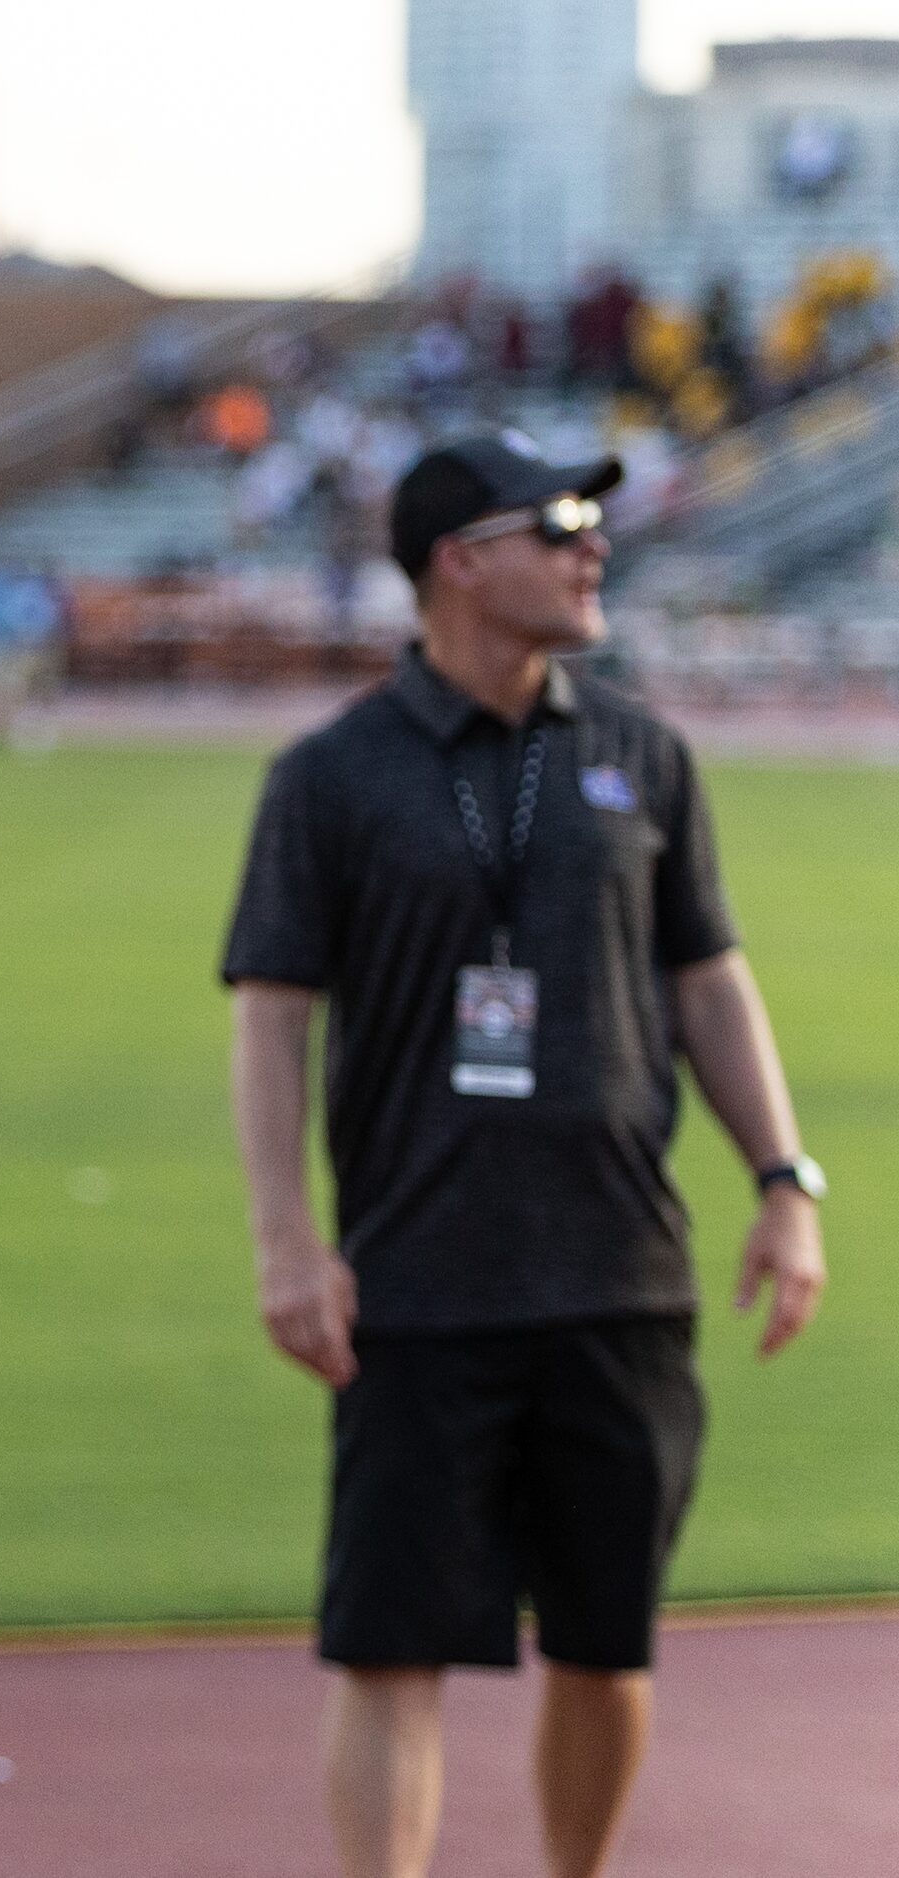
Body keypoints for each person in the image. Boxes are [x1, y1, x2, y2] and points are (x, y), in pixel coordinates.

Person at [221, 433, 828, 1878]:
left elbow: (706, 982)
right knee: (387, 1650)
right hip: (417, 1283)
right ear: (457, 559)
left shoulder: (640, 751)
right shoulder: (332, 775)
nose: (589, 546)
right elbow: (271, 1020)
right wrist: (285, 1243)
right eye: (557, 522)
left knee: (606, 1644)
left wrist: (783, 1181)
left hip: (619, 1278)